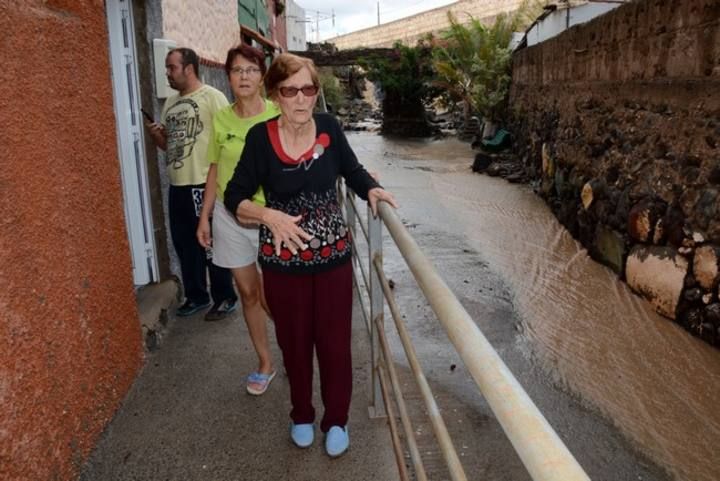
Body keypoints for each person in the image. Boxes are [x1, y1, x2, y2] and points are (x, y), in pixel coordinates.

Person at [224, 53, 398, 457]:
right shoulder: (259, 139)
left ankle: (336, 420)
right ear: (275, 94)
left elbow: (352, 171)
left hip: (334, 262)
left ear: (316, 93)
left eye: (308, 89)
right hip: (283, 266)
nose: (301, 99)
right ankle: (301, 414)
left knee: (335, 344)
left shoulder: (330, 129)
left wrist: (371, 189)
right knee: (294, 342)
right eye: (290, 90)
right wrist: (269, 216)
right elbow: (235, 197)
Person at [196, 44, 280, 395]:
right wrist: (205, 217)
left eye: (250, 70)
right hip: (231, 219)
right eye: (236, 70)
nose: (243, 76)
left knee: (274, 295)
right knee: (247, 292)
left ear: (262, 77)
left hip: (271, 218)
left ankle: (293, 346)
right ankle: (265, 362)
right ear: (228, 77)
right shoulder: (221, 119)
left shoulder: (278, 113)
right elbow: (215, 168)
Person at [145, 47, 238, 320]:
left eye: (171, 68)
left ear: (189, 68)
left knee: (211, 244)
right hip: (178, 185)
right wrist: (157, 136)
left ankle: (225, 297)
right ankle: (197, 296)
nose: (168, 73)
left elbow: (228, 139)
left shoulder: (213, 98)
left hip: (204, 184)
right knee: (185, 244)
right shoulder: (171, 104)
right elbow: (168, 147)